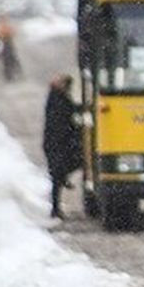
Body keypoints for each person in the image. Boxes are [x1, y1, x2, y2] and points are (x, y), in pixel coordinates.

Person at [42, 74, 82, 219]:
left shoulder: (56, 98)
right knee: (57, 177)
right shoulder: (58, 99)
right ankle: (55, 208)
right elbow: (66, 116)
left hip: (57, 143)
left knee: (58, 176)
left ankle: (56, 206)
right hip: (57, 144)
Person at [0, 15, 22, 81]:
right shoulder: (1, 27)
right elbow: (13, 33)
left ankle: (12, 74)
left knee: (10, 60)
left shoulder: (2, 27)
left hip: (7, 45)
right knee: (9, 60)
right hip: (6, 45)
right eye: (3, 19)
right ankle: (11, 75)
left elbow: (13, 33)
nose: (4, 21)